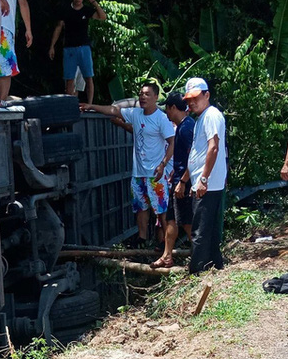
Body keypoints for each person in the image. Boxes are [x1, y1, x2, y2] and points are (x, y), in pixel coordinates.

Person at [81, 81, 174, 246]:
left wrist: (163, 164)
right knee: (140, 207)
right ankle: (142, 239)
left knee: (161, 211)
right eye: (141, 93)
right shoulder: (136, 114)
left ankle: (166, 245)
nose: (142, 97)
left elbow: (172, 142)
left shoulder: (161, 119)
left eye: (146, 94)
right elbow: (114, 110)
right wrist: (92, 106)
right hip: (138, 172)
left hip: (156, 174)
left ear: (155, 97)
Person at [175, 77, 227, 274]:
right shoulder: (200, 119)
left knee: (199, 231)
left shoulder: (212, 115)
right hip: (202, 182)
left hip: (208, 183)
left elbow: (213, 148)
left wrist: (203, 179)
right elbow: (196, 155)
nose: (192, 103)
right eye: (189, 100)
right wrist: (185, 181)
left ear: (207, 95)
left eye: (196, 98)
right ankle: (215, 265)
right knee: (208, 229)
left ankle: (197, 271)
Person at [151, 92, 195, 268]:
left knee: (186, 222)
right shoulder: (183, 126)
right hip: (177, 179)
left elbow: (194, 158)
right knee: (172, 219)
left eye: (167, 109)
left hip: (183, 183)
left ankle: (201, 255)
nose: (166, 114)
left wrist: (183, 181)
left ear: (173, 108)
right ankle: (167, 256)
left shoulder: (186, 128)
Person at [48, 0, 106, 103]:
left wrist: (94, 2)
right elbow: (58, 27)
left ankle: (90, 104)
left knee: (88, 77)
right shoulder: (65, 10)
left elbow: (102, 17)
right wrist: (52, 46)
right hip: (69, 48)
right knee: (69, 79)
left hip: (84, 47)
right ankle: (70, 104)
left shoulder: (86, 10)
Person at [0, 0, 32, 100]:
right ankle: (2, 100)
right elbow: (22, 2)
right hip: (4, 26)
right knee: (5, 66)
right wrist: (28, 29)